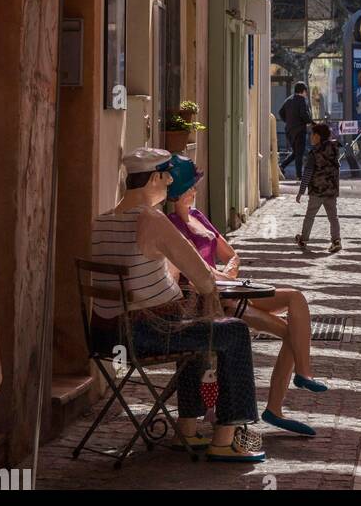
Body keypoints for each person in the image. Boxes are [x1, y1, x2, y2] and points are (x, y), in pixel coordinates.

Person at [89, 148, 264, 462]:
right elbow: (202, 278)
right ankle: (225, 439)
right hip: (142, 334)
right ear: (155, 178)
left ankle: (188, 427)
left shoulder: (101, 221)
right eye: (167, 180)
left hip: (104, 335)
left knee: (195, 330)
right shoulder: (151, 218)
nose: (169, 187)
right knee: (233, 332)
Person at [165, 156, 326, 437]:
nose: (194, 191)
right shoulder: (171, 226)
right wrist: (220, 277)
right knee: (291, 334)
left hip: (232, 287)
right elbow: (192, 272)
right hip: (212, 300)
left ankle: (303, 373)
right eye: (190, 187)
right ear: (176, 192)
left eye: (194, 187)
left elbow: (231, 254)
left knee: (296, 299)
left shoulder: (199, 217)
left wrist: (229, 270)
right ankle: (274, 409)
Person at [295, 123, 341, 252]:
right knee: (333, 217)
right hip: (331, 190)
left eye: (312, 134)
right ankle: (336, 240)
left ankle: (303, 239)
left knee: (310, 216)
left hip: (317, 190)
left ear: (317, 136)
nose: (310, 137)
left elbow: (307, 174)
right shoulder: (334, 149)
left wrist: (301, 191)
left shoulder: (313, 153)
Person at [280, 82, 312, 181]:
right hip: (299, 131)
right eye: (306, 91)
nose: (306, 93)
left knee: (296, 153)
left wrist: (288, 121)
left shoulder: (288, 100)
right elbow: (304, 114)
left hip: (289, 130)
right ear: (303, 91)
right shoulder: (302, 100)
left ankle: (282, 166)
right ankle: (299, 176)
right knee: (299, 154)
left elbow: (281, 112)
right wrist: (309, 121)